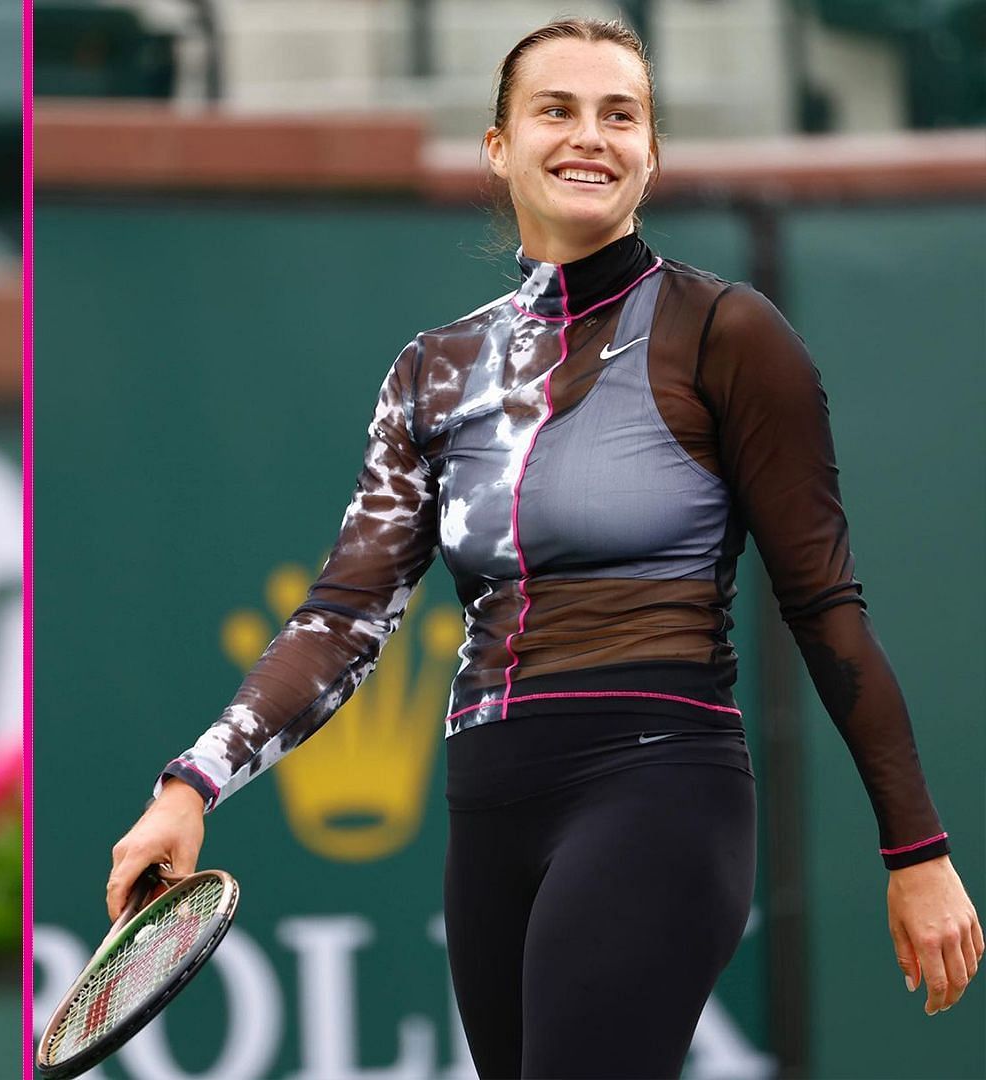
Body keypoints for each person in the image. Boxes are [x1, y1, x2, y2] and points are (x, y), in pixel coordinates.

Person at [105, 17, 980, 1078]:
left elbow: (827, 607)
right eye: (557, 110)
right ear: (497, 146)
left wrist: (917, 849)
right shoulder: (432, 370)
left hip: (658, 784)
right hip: (492, 809)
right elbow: (344, 618)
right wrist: (190, 785)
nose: (591, 136)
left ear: (652, 154)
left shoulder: (729, 333)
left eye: (622, 115)